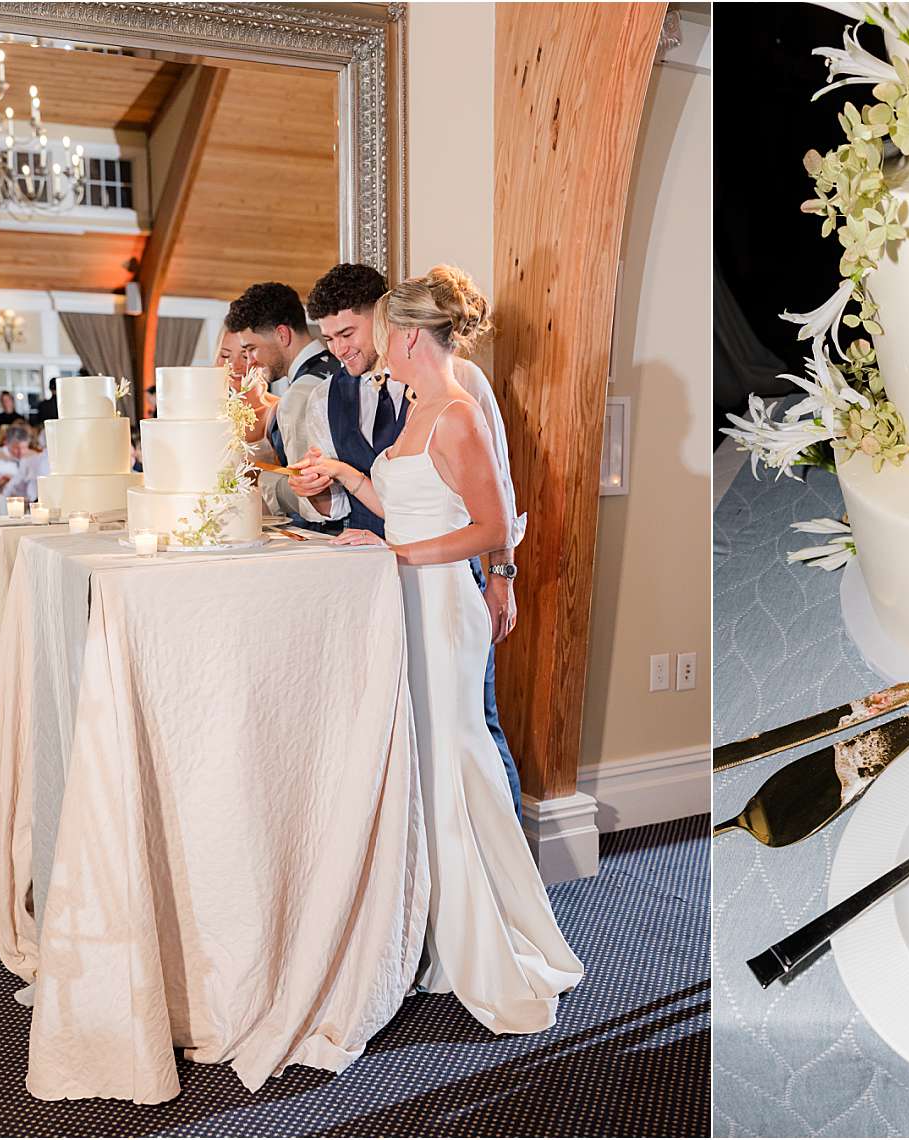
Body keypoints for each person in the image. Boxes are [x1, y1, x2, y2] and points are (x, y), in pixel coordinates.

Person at [297, 267, 582, 1030]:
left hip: (443, 604)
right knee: (426, 758)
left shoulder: (457, 410)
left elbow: (488, 527)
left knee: (456, 755)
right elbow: (412, 503)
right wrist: (355, 485)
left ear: (410, 334)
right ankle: (436, 924)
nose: (379, 344)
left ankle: (489, 937)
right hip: (410, 598)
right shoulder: (420, 407)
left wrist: (406, 555)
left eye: (385, 329)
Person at [296, 262, 524, 819]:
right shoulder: (349, 397)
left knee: (469, 731)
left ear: (396, 328)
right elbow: (403, 498)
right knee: (419, 739)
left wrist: (501, 577)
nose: (344, 349)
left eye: (351, 334)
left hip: (449, 583)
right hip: (397, 588)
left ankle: (503, 866)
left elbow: (495, 507)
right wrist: (340, 479)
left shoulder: (459, 391)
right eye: (329, 339)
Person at [224, 282, 338, 525]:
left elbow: (313, 499)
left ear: (282, 334)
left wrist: (260, 479)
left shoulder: (299, 394)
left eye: (252, 349)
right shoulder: (338, 367)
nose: (251, 361)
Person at [0, 423, 39, 514]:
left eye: (24, 448)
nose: (20, 453)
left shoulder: (33, 457)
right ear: (6, 442)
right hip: (0, 511)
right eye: (16, 448)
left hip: (30, 509)